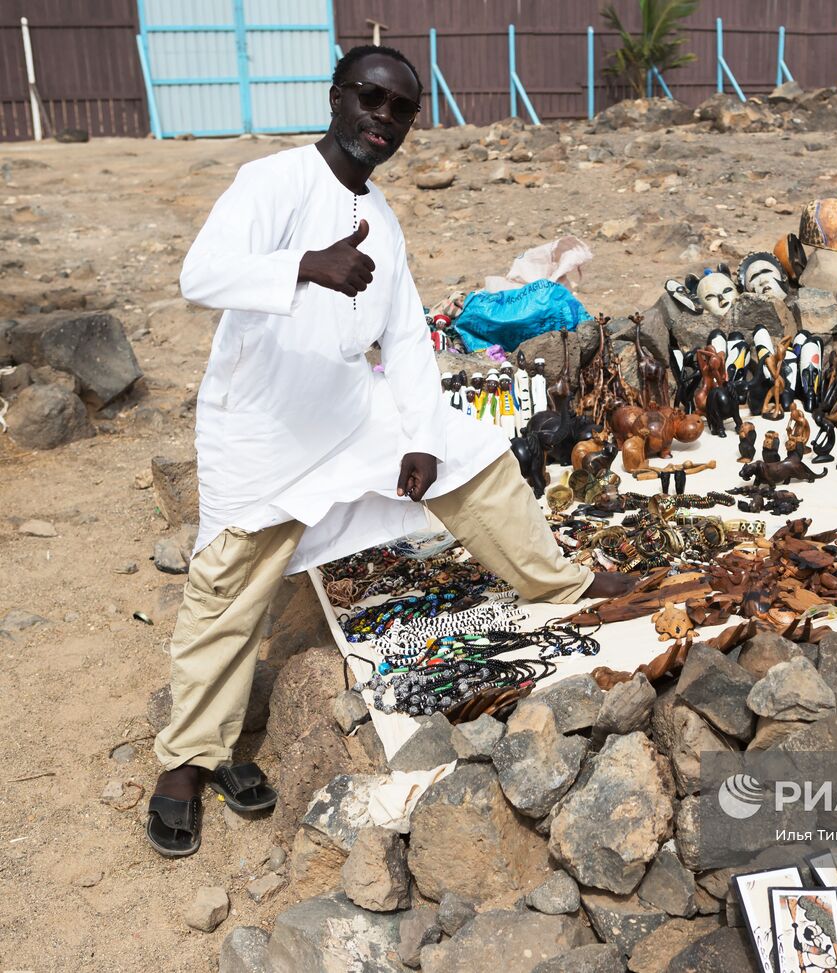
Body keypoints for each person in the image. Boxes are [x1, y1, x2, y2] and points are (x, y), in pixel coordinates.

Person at [147, 45, 632, 857]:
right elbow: (201, 274)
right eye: (370, 96)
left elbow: (406, 337)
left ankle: (561, 578)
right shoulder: (273, 183)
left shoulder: (387, 220)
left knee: (475, 454)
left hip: (347, 411)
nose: (382, 116)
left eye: (400, 107)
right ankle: (187, 765)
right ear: (337, 97)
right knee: (229, 588)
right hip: (262, 427)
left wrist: (417, 436)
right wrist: (305, 265)